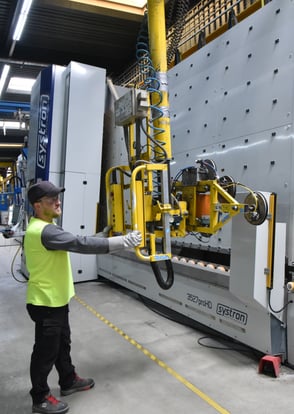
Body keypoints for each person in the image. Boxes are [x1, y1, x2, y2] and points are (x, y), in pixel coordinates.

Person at [24, 180, 142, 414]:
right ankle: (40, 398)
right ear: (37, 206)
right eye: (51, 199)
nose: (58, 202)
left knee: (62, 345)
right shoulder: (44, 231)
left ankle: (67, 380)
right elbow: (79, 243)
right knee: (45, 353)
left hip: (56, 300)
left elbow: (76, 240)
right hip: (46, 302)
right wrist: (121, 242)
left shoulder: (49, 226)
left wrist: (102, 235)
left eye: (58, 197)